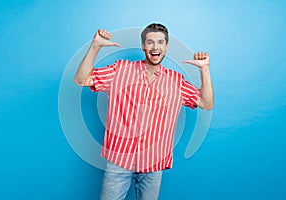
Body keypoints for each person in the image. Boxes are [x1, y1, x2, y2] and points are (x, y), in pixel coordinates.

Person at [74, 23, 214, 200]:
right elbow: (81, 80)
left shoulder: (176, 81)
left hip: (154, 163)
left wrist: (205, 70)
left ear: (166, 46)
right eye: (150, 42)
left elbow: (206, 103)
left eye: (160, 42)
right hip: (120, 160)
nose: (155, 47)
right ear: (143, 46)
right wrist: (95, 47)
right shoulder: (120, 70)